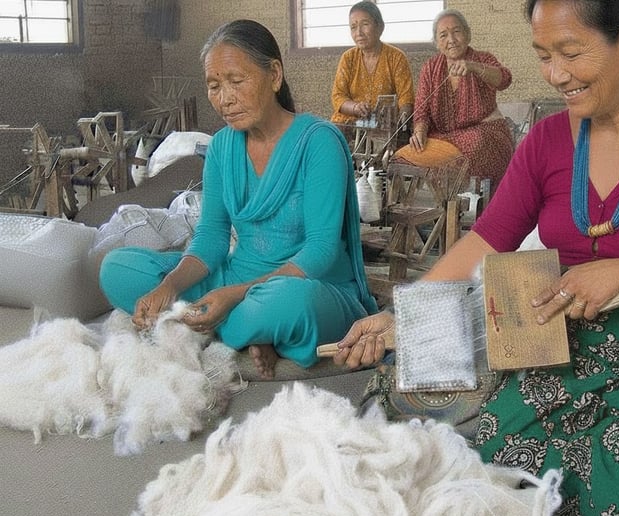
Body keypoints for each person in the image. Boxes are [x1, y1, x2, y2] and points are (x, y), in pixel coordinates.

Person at [332, 0, 619, 516]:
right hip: (560, 345)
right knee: (503, 453)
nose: (555, 74)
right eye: (543, 56)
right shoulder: (548, 141)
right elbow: (487, 239)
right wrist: (403, 315)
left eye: (570, 53)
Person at [99, 19, 378, 379]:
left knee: (288, 306)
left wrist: (235, 295)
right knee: (117, 269)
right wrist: (169, 288)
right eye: (214, 86)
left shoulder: (318, 142)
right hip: (235, 276)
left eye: (236, 81)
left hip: (308, 285)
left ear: (274, 75)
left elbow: (321, 251)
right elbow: (211, 238)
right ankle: (250, 332)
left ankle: (233, 324)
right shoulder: (220, 147)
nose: (224, 98)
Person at [401, 9, 514, 190]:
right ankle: (444, 201)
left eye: (456, 32)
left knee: (474, 143)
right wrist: (419, 132)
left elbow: (505, 79)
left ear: (467, 34)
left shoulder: (482, 58)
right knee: (406, 154)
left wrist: (474, 67)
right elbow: (422, 110)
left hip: (486, 134)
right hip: (444, 137)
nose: (451, 40)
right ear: (437, 43)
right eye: (443, 35)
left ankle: (476, 199)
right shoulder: (430, 68)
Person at [330, 1, 414, 126]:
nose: (359, 33)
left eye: (365, 24)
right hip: (349, 122)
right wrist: (355, 108)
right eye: (353, 27)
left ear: (380, 27)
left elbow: (406, 98)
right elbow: (338, 96)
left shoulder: (396, 58)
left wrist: (402, 121)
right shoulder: (348, 58)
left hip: (383, 125)